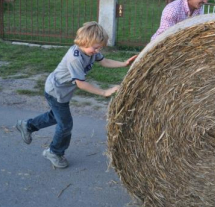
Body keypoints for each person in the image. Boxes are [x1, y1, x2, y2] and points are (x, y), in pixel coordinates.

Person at [16, 21, 137, 169]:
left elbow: (104, 61)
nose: (98, 50)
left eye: (100, 47)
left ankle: (27, 126)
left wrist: (124, 63)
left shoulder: (91, 51)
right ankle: (54, 152)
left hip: (63, 92)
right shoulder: (75, 58)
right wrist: (104, 92)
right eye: (96, 47)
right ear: (86, 41)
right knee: (65, 125)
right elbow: (81, 83)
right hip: (56, 92)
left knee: (55, 116)